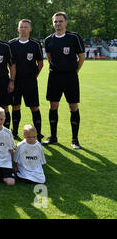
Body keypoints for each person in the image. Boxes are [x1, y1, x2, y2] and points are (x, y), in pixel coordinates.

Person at [43, 12, 85, 149]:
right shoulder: (48, 40)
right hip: (54, 77)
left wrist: (74, 71)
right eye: (55, 21)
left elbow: (81, 56)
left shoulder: (74, 37)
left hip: (71, 77)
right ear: (53, 23)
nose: (58, 24)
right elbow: (49, 58)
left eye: (60, 21)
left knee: (73, 106)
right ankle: (53, 137)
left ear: (66, 22)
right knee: (53, 106)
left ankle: (75, 139)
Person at [8, 19, 44, 140]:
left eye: (26, 27)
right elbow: (9, 63)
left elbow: (40, 63)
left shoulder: (35, 44)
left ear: (30, 29)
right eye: (21, 27)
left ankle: (38, 133)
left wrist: (34, 77)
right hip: (16, 81)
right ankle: (15, 131)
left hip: (30, 81)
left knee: (34, 107)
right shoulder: (11, 44)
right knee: (15, 106)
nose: (23, 29)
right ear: (18, 29)